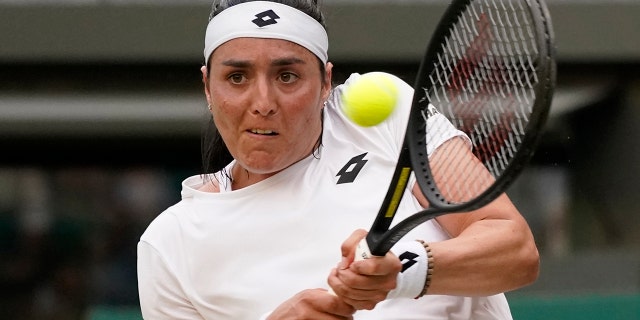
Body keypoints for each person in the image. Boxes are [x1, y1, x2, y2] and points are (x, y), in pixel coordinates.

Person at [136, 0, 540, 319]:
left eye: (287, 76)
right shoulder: (169, 245)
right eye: (237, 77)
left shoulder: (383, 116)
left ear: (326, 82)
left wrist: (404, 270)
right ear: (208, 86)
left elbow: (514, 251)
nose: (262, 104)